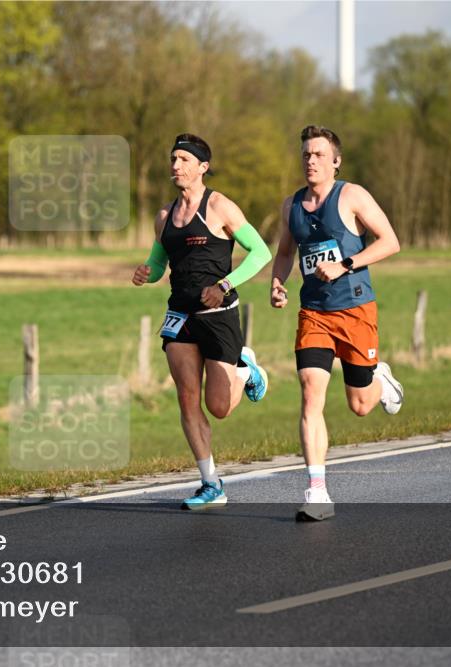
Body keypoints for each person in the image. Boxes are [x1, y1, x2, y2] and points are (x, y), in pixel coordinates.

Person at [269, 125, 404, 521]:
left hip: (355, 309)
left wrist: (345, 264)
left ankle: (381, 379)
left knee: (360, 404)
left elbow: (390, 241)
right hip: (314, 313)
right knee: (311, 393)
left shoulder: (352, 195)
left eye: (319, 155)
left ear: (335, 161)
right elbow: (284, 252)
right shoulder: (290, 206)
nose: (311, 161)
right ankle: (316, 491)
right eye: (306, 155)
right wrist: (278, 283)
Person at [132, 133, 271, 511]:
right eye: (172, 159)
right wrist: (149, 271)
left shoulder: (220, 207)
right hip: (180, 314)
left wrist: (224, 284)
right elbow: (161, 262)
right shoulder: (164, 216)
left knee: (220, 406)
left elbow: (261, 253)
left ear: (202, 167)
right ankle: (211, 483)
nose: (175, 166)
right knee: (186, 397)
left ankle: (246, 370)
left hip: (218, 313)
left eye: (183, 160)